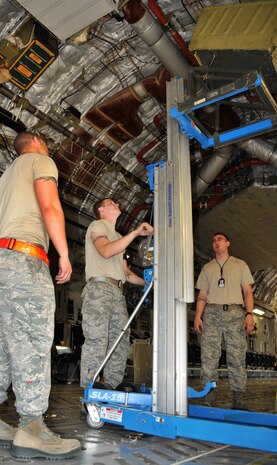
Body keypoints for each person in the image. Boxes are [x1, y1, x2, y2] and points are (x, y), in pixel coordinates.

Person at [0, 131, 81, 459]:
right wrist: (63, 253)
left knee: (4, 345)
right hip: (24, 260)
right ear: (34, 142)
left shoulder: (5, 178)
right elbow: (49, 206)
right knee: (32, 342)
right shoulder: (39, 160)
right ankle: (32, 426)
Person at [80, 198, 154, 390]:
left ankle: (111, 389)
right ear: (101, 209)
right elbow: (105, 251)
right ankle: (90, 390)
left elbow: (127, 274)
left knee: (119, 342)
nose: (117, 204)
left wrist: (150, 282)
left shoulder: (117, 236)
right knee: (97, 340)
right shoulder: (97, 225)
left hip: (116, 292)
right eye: (111, 202)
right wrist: (136, 232)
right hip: (99, 290)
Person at [194, 232, 254, 409]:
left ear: (228, 243)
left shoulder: (240, 264)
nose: (216, 242)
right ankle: (208, 398)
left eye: (219, 239)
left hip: (235, 313)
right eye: (213, 240)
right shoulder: (207, 268)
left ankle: (238, 399)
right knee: (208, 357)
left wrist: (249, 314)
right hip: (211, 314)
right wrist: (198, 316)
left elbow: (248, 292)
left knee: (236, 357)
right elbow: (202, 296)